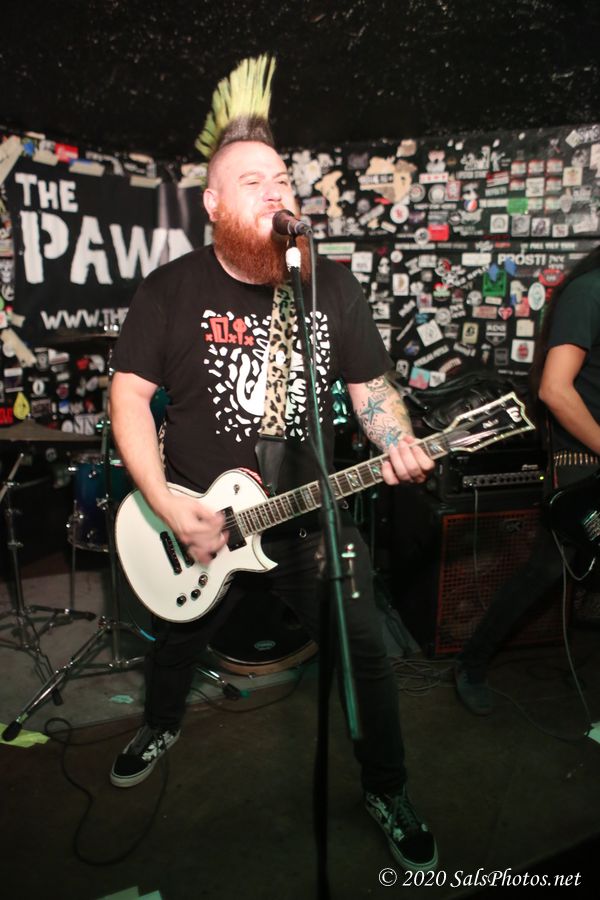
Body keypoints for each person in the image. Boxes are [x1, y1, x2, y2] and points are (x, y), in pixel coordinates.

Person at [107, 57, 438, 874]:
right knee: (174, 640)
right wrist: (166, 506)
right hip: (196, 518)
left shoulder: (330, 288)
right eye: (251, 182)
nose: (274, 192)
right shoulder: (170, 291)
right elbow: (128, 399)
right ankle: (160, 723)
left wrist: (396, 439)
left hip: (306, 522)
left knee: (364, 656)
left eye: (282, 178)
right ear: (214, 204)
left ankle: (387, 786)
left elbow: (373, 392)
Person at [455, 245, 600, 715]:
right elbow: (555, 390)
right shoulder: (589, 292)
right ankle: (471, 663)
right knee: (547, 569)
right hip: (584, 463)